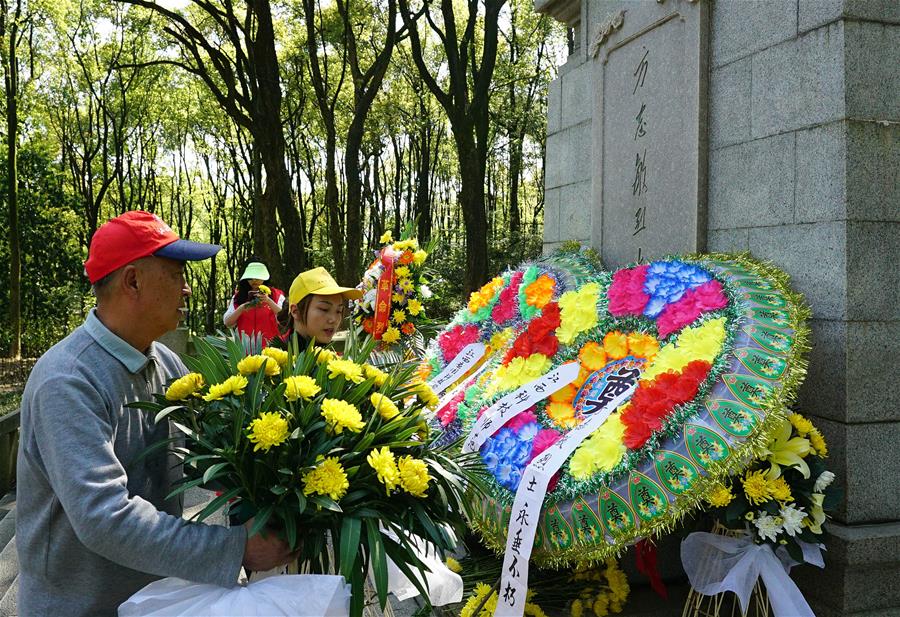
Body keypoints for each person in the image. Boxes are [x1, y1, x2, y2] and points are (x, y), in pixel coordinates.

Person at [16, 211, 295, 617]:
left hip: (156, 599)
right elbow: (104, 517)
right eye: (177, 274)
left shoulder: (165, 362)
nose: (186, 290)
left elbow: (214, 447)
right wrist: (237, 548)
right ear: (132, 281)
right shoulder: (67, 380)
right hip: (78, 606)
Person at [275, 267, 363, 347]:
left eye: (339, 311)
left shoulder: (333, 360)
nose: (333, 320)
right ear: (295, 311)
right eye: (324, 309)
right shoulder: (275, 361)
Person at [223, 260, 284, 343]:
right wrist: (241, 308)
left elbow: (285, 318)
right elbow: (227, 323)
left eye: (258, 277)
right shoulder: (238, 297)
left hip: (270, 347)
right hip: (245, 348)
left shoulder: (276, 295)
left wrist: (268, 301)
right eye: (250, 278)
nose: (254, 280)